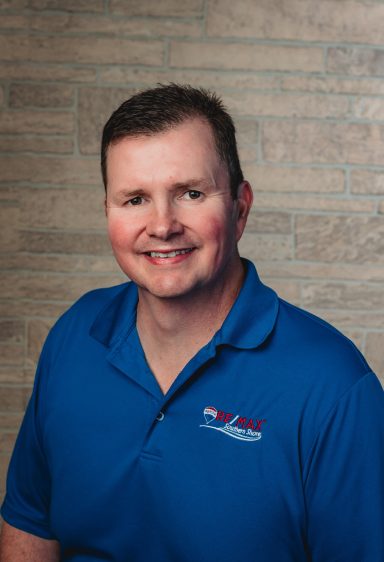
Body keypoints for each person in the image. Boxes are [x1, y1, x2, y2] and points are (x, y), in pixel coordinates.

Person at [0, 84, 383, 562]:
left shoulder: (334, 387)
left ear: (240, 207)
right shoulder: (75, 336)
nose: (162, 225)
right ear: (106, 212)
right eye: (135, 199)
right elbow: (30, 524)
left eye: (191, 193)